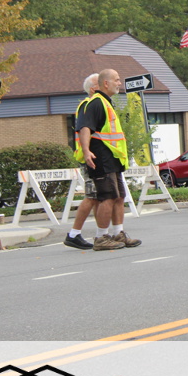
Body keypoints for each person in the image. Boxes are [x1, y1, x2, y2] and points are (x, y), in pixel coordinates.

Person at [75, 68, 141, 250]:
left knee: (119, 196)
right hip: (101, 158)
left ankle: (118, 233)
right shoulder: (96, 103)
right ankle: (101, 237)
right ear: (106, 83)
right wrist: (86, 151)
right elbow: (85, 128)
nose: (119, 83)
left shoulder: (106, 102)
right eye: (117, 80)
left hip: (112, 159)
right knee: (107, 197)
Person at [65, 73, 103, 249]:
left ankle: (101, 234)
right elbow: (84, 130)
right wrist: (87, 152)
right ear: (93, 89)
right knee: (92, 196)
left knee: (97, 197)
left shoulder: (96, 104)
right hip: (90, 157)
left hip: (95, 156)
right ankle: (74, 234)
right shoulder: (88, 105)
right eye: (100, 83)